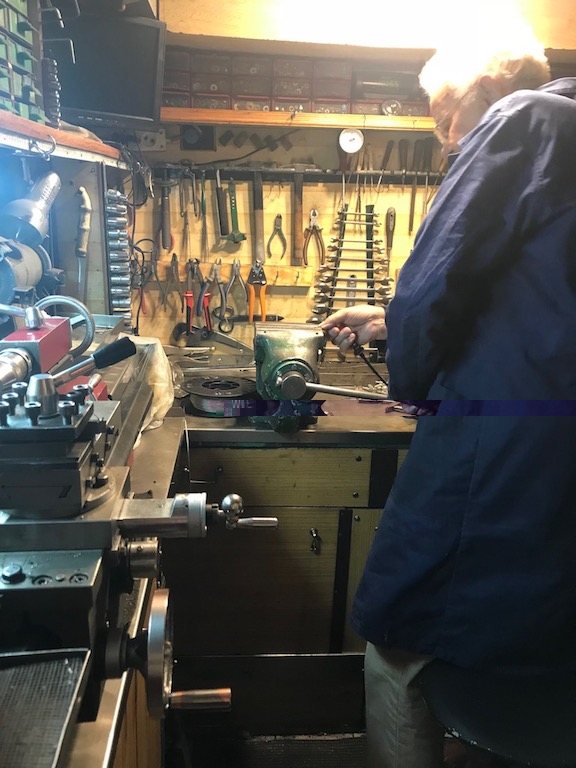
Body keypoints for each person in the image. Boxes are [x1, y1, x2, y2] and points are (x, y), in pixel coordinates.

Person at [321, 19, 576, 768]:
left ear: (490, 84)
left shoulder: (523, 120)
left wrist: (409, 373)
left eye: (443, 116)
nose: (444, 140)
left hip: (499, 446)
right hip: (551, 440)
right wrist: (387, 323)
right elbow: (531, 294)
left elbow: (431, 286)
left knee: (401, 644)